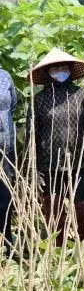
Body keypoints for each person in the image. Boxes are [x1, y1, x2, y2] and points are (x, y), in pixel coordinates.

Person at [27, 48, 84, 247]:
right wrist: (34, 171)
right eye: (55, 68)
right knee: (54, 214)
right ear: (47, 72)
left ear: (70, 70)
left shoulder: (81, 96)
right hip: (49, 167)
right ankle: (58, 252)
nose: (60, 71)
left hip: (79, 165)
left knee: (83, 211)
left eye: (63, 67)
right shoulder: (39, 100)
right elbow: (31, 139)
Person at [0, 69, 17, 257]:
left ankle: (6, 245)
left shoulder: (4, 77)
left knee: (5, 199)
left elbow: (12, 107)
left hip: (5, 149)